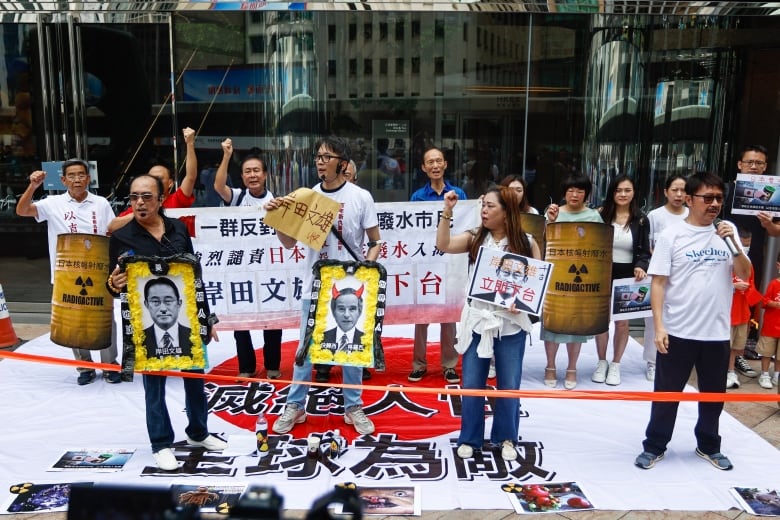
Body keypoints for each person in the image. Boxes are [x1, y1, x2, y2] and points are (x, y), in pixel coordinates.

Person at [107, 174, 227, 471]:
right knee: (154, 386)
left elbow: (194, 277)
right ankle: (161, 443)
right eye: (134, 197)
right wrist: (113, 283)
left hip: (185, 316)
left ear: (162, 199)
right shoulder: (123, 237)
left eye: (146, 197)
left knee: (195, 378)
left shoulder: (178, 229)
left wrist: (206, 317)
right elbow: (112, 285)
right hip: (148, 323)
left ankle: (198, 432)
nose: (139, 203)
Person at [635, 172, 751, 471]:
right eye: (707, 198)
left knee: (713, 396)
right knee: (667, 393)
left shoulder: (728, 231)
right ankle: (655, 445)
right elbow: (658, 283)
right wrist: (659, 327)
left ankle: (709, 445)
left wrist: (732, 244)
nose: (714, 204)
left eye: (718, 198)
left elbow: (746, 272)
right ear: (689, 199)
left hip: (715, 332)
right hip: (678, 330)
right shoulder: (671, 235)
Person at [267, 135, 380, 436]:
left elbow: (376, 242)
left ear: (342, 163)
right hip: (315, 285)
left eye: (326, 157)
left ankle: (353, 406)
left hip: (352, 285)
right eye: (317, 156)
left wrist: (366, 268)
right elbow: (289, 242)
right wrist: (277, 218)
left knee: (351, 348)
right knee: (306, 348)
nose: (320, 161)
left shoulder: (361, 197)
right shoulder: (306, 197)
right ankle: (295, 406)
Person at [436, 186, 541, 461]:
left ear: (507, 213)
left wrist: (524, 303)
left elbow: (537, 285)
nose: (484, 210)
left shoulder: (527, 243)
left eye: (490, 206)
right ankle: (470, 437)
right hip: (478, 321)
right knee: (472, 382)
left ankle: (506, 437)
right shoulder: (475, 238)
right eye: (483, 205)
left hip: (511, 323)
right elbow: (443, 245)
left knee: (509, 383)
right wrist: (447, 212)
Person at [15, 158, 121, 385]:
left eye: (81, 175)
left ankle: (110, 365)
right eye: (71, 176)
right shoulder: (52, 203)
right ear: (63, 180)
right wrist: (32, 186)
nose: (77, 180)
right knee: (74, 319)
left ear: (88, 178)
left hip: (99, 270)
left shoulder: (101, 203)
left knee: (104, 319)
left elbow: (112, 229)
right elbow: (22, 210)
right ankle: (85, 367)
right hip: (66, 273)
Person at [214, 138, 282, 380]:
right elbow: (219, 185)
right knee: (240, 320)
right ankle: (246, 367)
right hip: (241, 270)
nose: (252, 175)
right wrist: (226, 156)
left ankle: (273, 365)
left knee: (272, 320)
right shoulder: (237, 197)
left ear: (265, 174)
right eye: (247, 172)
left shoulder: (277, 202)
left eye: (256, 171)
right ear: (241, 177)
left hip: (270, 270)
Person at [408, 146, 465, 384]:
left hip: (450, 262)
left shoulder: (459, 194)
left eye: (438, 161)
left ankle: (449, 365)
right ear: (423, 167)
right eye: (429, 162)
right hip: (425, 262)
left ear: (445, 164)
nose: (434, 165)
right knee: (422, 316)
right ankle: (419, 364)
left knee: (448, 316)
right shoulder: (416, 197)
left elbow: (464, 225)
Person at [542, 174, 603, 390]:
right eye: (570, 190)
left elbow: (601, 248)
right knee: (552, 323)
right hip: (555, 277)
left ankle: (572, 368)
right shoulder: (554, 213)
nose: (574, 195)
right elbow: (541, 241)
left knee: (575, 325)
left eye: (579, 191)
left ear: (586, 194)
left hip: (581, 279)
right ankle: (550, 366)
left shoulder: (594, 217)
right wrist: (548, 221)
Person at [592, 175, 650, 386]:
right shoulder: (600, 214)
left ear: (634, 192)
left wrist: (641, 266)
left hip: (627, 275)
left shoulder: (641, 219)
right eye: (618, 190)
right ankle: (601, 362)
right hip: (601, 273)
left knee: (622, 323)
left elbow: (644, 251)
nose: (623, 194)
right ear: (612, 193)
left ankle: (616, 364)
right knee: (602, 322)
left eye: (627, 190)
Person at [727, 144, 773, 366]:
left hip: (754, 256)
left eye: (759, 163)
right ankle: (722, 354)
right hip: (726, 256)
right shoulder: (725, 191)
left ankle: (740, 351)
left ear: (765, 167)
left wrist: (768, 224)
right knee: (727, 300)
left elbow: (776, 230)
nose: (754, 167)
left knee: (748, 302)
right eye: (749, 162)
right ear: (740, 164)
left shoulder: (773, 195)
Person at [108, 127, 199, 233]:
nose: (156, 182)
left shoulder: (177, 199)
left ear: (170, 183)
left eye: (159, 178)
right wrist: (142, 213)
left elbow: (191, 177)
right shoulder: (140, 205)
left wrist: (190, 143)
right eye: (152, 178)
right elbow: (112, 227)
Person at [643, 174, 688, 380]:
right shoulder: (654, 216)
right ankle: (652, 362)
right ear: (665, 192)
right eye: (674, 190)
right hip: (659, 274)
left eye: (683, 190)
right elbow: (648, 246)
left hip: (683, 277)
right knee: (654, 319)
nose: (679, 195)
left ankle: (678, 359)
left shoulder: (691, 214)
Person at [727, 228, 761, 389]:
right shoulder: (726, 260)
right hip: (726, 313)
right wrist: (733, 286)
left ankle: (731, 370)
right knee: (724, 346)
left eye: (748, 245)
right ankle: (722, 371)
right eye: (743, 245)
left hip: (742, 312)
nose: (746, 248)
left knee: (736, 346)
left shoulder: (747, 263)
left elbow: (752, 285)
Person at [143, 277, 193, 358]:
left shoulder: (194, 335)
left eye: (168, 301)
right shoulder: (138, 339)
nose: (163, 309)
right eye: (155, 301)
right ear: (147, 304)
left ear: (179, 303)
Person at [757, 252, 780, 389]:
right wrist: (775, 304)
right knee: (766, 352)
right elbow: (764, 301)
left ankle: (777, 374)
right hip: (771, 326)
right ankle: (764, 374)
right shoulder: (773, 284)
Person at [323, 285, 365, 351]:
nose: (346, 315)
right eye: (341, 309)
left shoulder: (368, 340)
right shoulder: (321, 338)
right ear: (333, 312)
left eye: (352, 309)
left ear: (359, 312)